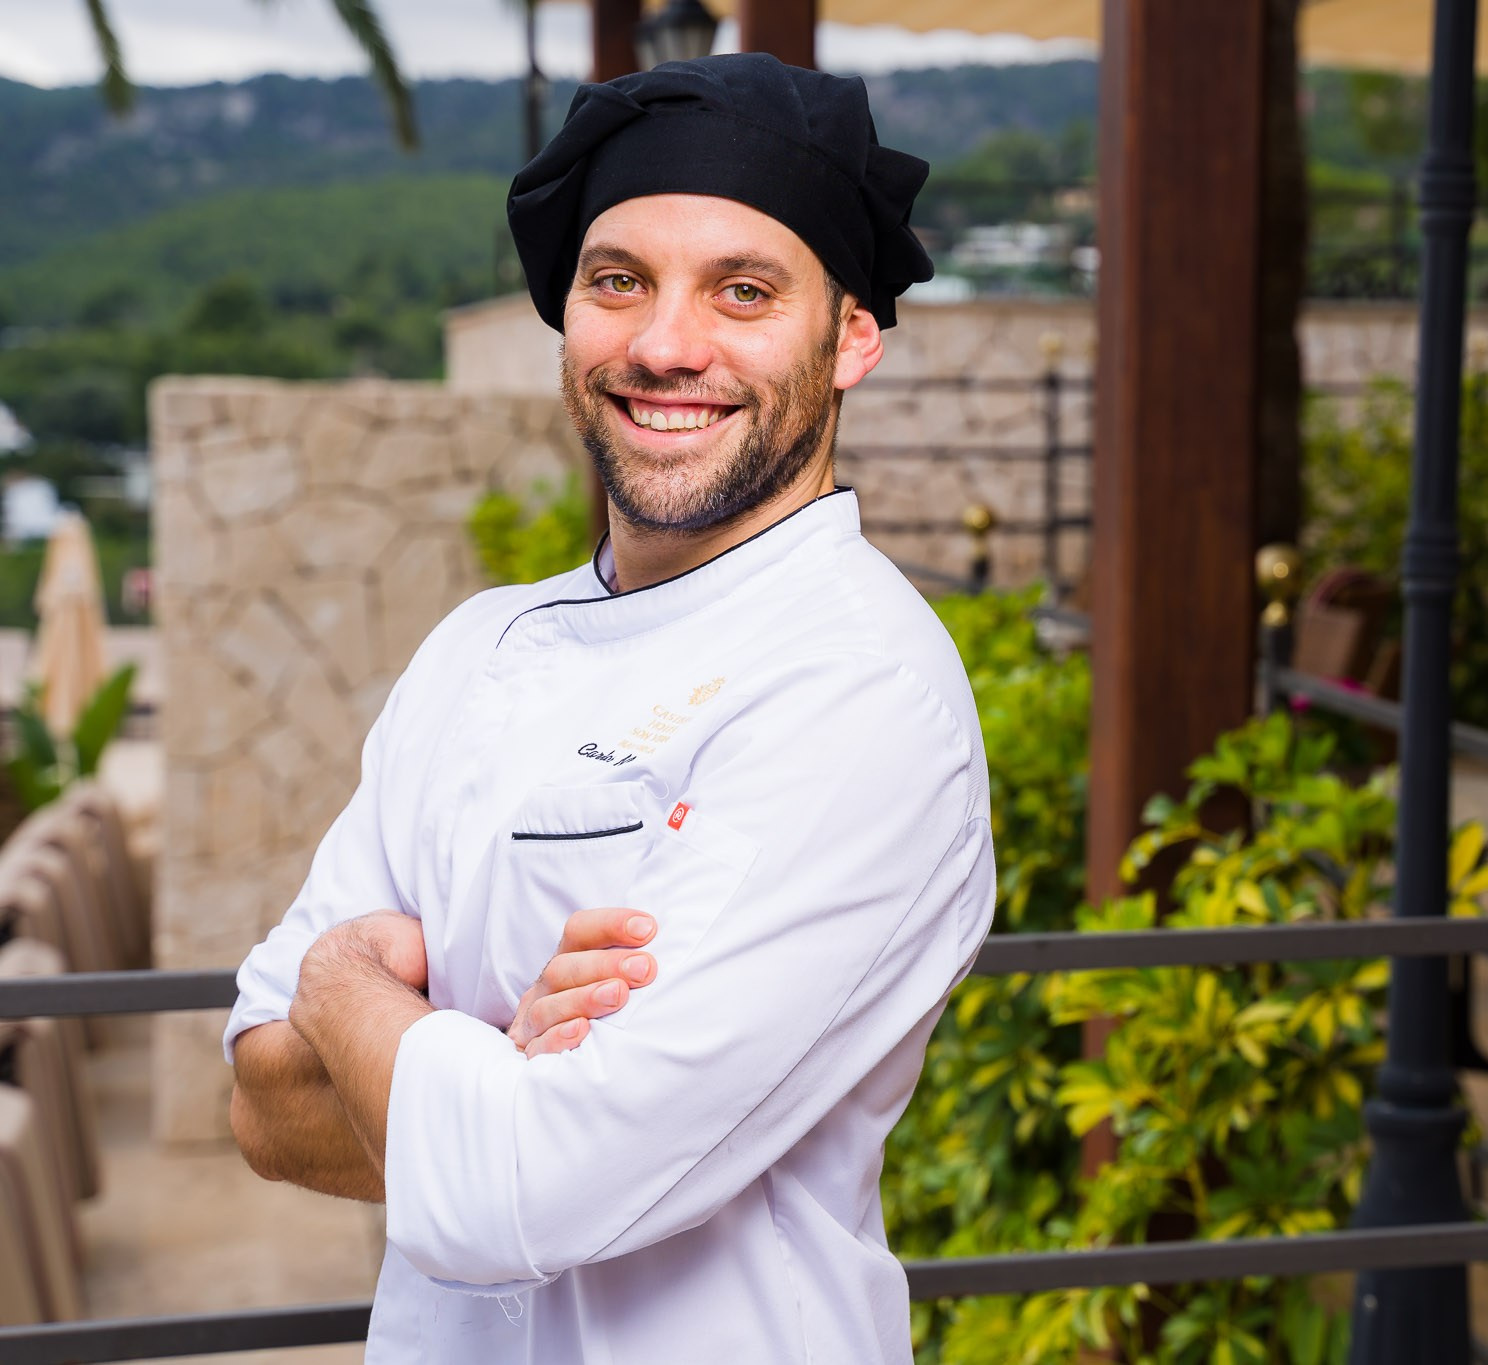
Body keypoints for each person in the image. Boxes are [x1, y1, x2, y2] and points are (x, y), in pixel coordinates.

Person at [223, 54, 995, 1364]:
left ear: (851, 335)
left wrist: (346, 978)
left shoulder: (861, 690)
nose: (664, 345)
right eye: (617, 279)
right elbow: (258, 1100)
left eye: (744, 290)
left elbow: (520, 1191)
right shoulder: (478, 648)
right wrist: (493, 1064)